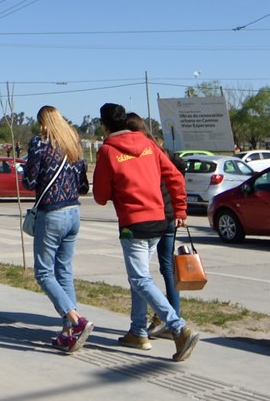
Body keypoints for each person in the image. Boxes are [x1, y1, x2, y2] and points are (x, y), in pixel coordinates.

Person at [93, 102, 200, 362]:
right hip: (159, 222)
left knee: (140, 278)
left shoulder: (107, 151)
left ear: (104, 126)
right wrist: (181, 210)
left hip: (133, 226)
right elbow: (174, 176)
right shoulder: (148, 144)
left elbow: (99, 196)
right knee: (138, 277)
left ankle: (178, 328)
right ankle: (138, 331)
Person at [23, 105, 92, 353]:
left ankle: (77, 321)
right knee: (64, 271)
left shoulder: (39, 143)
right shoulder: (73, 143)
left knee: (43, 273)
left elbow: (30, 181)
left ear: (42, 122)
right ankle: (67, 333)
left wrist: (27, 169)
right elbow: (84, 185)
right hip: (74, 212)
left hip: (52, 213)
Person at [129, 113, 183, 339]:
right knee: (167, 269)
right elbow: (179, 173)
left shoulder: (144, 154)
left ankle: (170, 320)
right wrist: (180, 209)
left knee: (142, 273)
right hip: (170, 218)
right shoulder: (163, 152)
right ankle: (170, 316)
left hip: (156, 218)